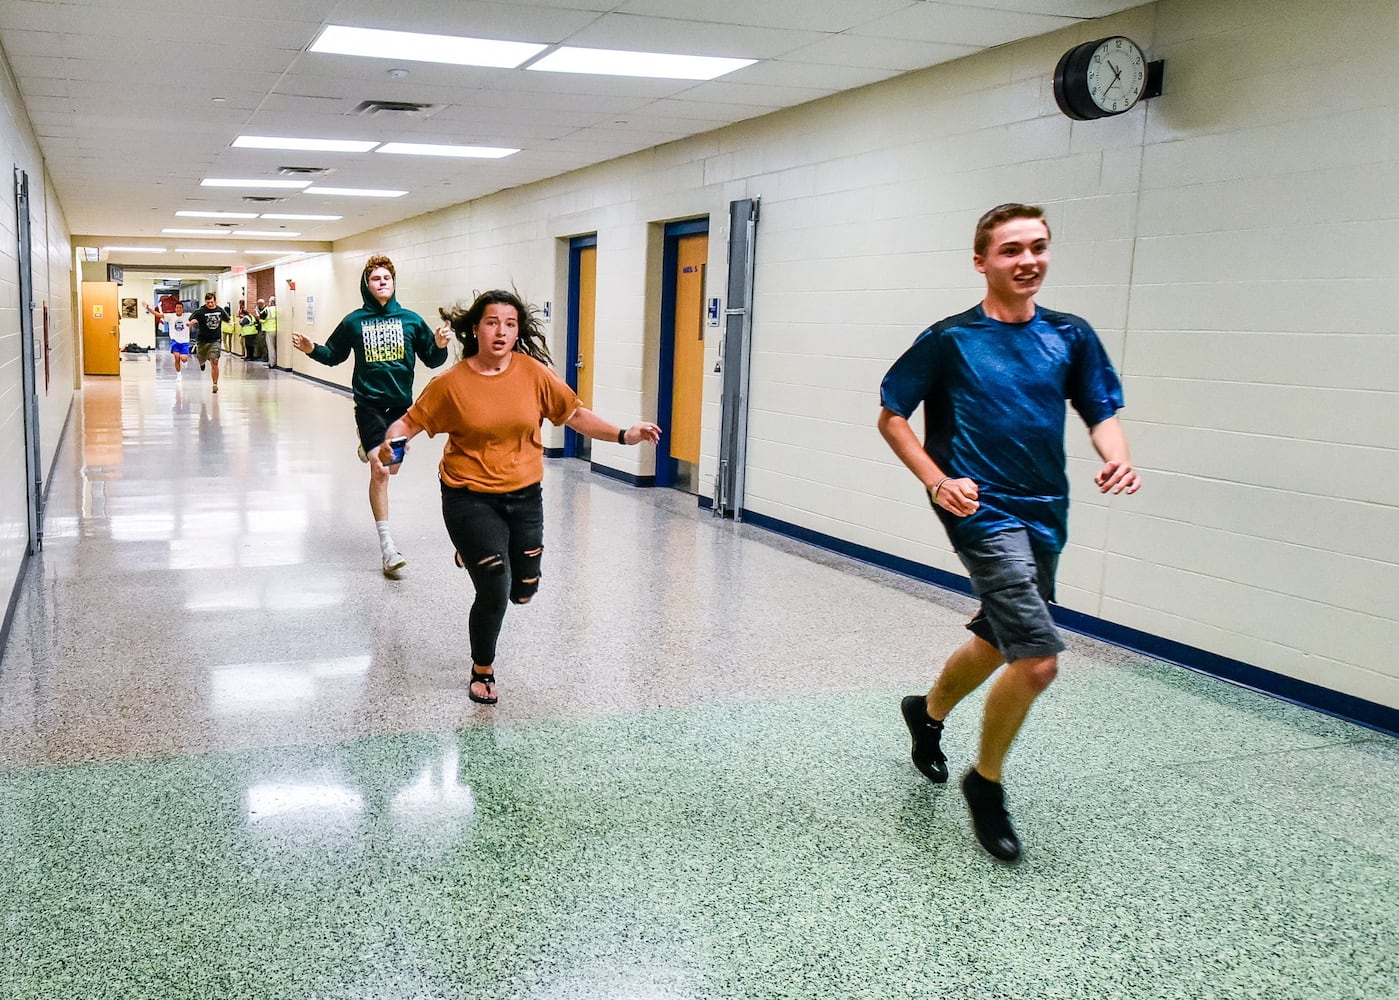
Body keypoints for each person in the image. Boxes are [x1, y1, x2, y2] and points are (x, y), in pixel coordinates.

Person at [877, 203, 1141, 862]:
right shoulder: (951, 339)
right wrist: (936, 480)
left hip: (1045, 506)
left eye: (1038, 247)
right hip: (978, 507)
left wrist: (1116, 453)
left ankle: (926, 713)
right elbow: (891, 415)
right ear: (981, 262)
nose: (1027, 260)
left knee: (1000, 636)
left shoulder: (1069, 335)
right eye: (1010, 250)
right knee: (1036, 657)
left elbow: (1098, 408)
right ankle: (985, 783)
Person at [374, 289, 661, 706]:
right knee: (494, 584)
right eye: (492, 322)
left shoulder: (534, 374)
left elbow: (575, 415)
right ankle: (482, 668)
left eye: (510, 324)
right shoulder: (451, 384)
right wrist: (391, 448)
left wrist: (623, 434)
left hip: (524, 494)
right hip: (467, 494)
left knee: (523, 590)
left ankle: (475, 553)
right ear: (475, 329)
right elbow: (407, 424)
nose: (501, 332)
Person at [291, 255, 450, 578]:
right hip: (369, 406)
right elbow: (334, 356)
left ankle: (367, 448)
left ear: (393, 283)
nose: (382, 283)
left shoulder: (411, 320)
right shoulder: (355, 322)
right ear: (366, 284)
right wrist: (312, 349)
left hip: (401, 409)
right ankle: (388, 547)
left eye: (386, 278)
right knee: (381, 471)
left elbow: (433, 361)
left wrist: (440, 344)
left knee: (393, 466)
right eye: (375, 278)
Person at [187, 292, 229, 393]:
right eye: (208, 302)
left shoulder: (220, 310)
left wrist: (231, 323)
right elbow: (192, 319)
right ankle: (202, 362)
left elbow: (227, 319)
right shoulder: (200, 311)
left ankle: (215, 384)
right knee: (201, 358)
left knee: (214, 361)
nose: (210, 304)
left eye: (211, 302)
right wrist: (191, 323)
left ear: (215, 301)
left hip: (215, 340)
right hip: (202, 341)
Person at [145, 299, 192, 379]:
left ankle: (184, 361)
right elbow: (158, 315)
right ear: (175, 309)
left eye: (180, 308)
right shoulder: (171, 316)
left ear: (182, 309)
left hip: (185, 341)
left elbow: (197, 317)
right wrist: (148, 309)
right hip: (175, 340)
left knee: (183, 359)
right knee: (177, 357)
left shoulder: (188, 316)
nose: (179, 309)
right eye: (177, 308)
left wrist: (191, 323)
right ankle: (179, 374)